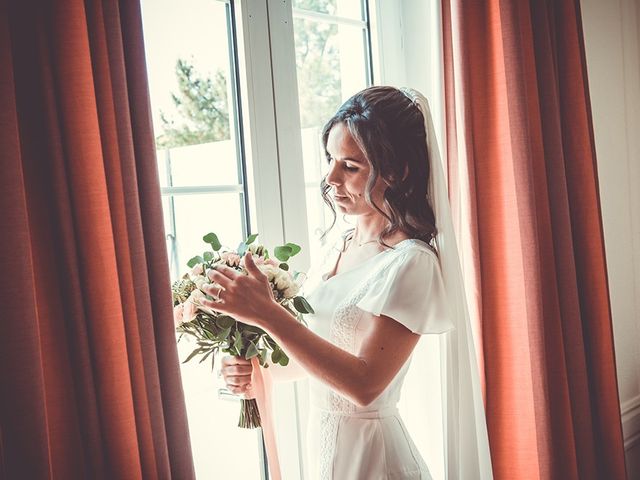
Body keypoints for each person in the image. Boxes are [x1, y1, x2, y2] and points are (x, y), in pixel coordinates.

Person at [203, 86, 493, 479]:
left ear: (398, 171)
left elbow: (363, 385)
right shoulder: (334, 247)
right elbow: (312, 363)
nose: (331, 178)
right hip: (323, 452)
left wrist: (267, 314)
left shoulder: (412, 263)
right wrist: (257, 371)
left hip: (372, 459)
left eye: (351, 167)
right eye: (330, 160)